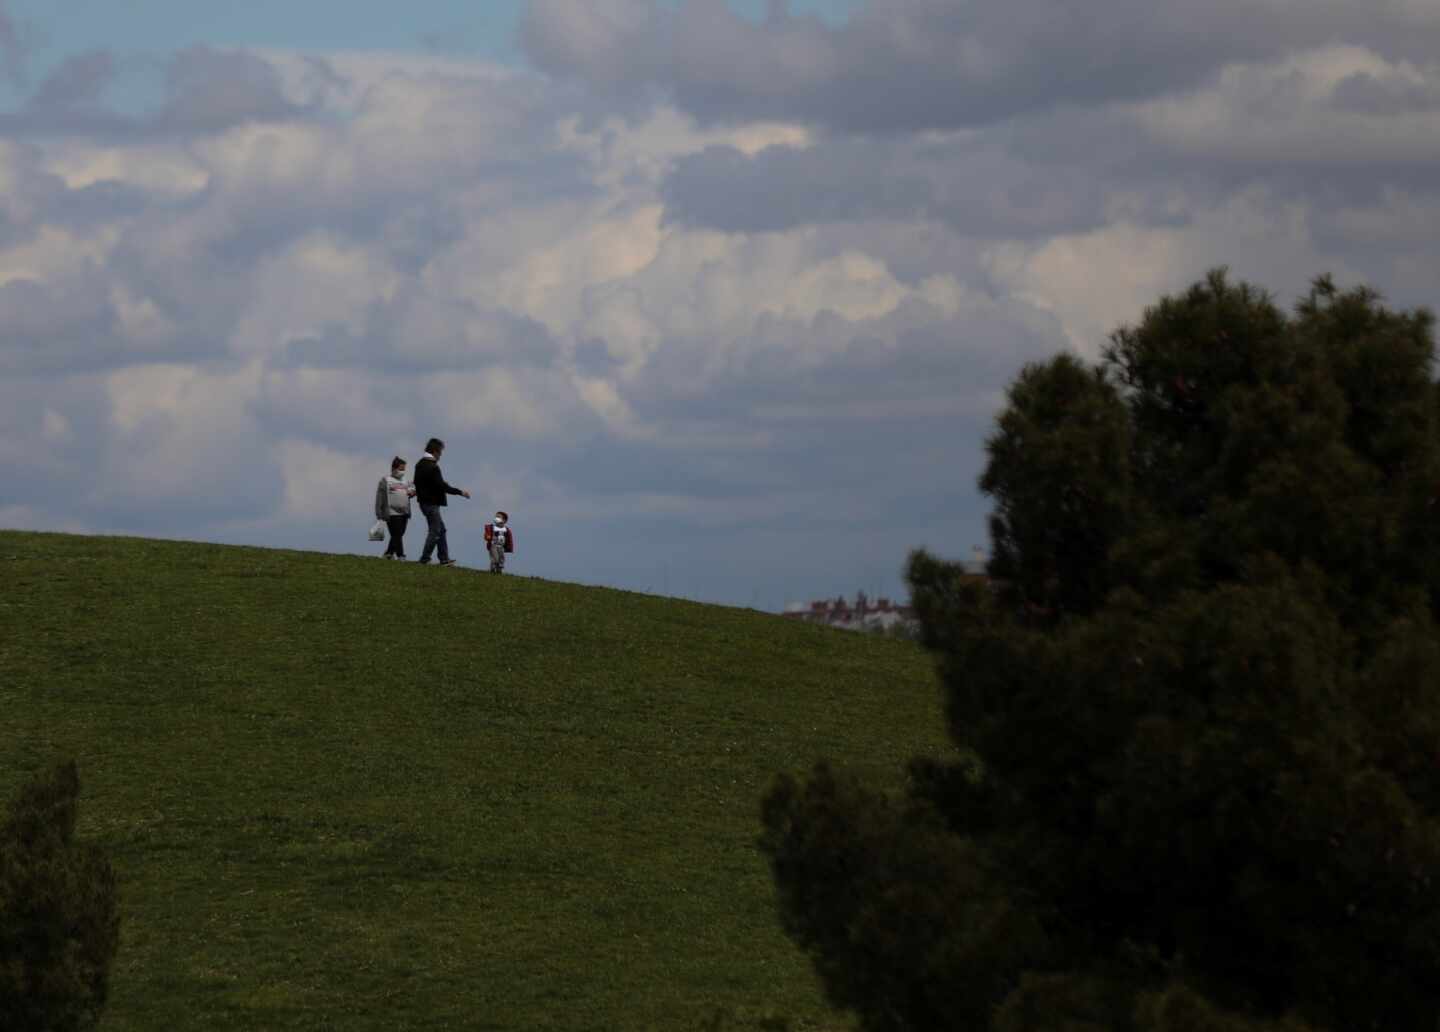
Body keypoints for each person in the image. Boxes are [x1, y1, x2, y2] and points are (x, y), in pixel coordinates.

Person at [412, 437, 470, 566]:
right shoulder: (432, 467)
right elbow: (442, 487)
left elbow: (421, 483)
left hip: (423, 503)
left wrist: (439, 484)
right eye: (440, 453)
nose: (440, 456)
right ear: (435, 451)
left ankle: (444, 559)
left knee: (441, 530)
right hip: (431, 504)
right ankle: (424, 559)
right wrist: (460, 492)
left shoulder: (419, 464)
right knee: (435, 531)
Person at [375, 456, 415, 559]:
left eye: (404, 470)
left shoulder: (406, 481)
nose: (403, 472)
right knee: (397, 534)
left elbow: (413, 491)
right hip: (392, 513)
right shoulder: (386, 480)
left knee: (399, 534)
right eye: (401, 469)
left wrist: (413, 493)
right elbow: (379, 497)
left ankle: (389, 553)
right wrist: (379, 513)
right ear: (394, 468)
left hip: (404, 513)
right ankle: (401, 555)